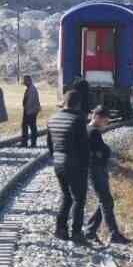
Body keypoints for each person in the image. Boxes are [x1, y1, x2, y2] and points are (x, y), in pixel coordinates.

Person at [45, 88, 89, 241]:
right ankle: (76, 233)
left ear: (64, 102)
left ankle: (60, 230)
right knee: (79, 199)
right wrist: (86, 167)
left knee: (66, 197)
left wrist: (56, 158)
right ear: (78, 104)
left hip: (58, 163)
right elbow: (83, 147)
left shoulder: (52, 119)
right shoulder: (78, 120)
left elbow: (50, 145)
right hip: (75, 165)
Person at [84, 107, 131, 244]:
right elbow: (102, 152)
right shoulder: (93, 132)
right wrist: (105, 153)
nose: (107, 123)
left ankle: (90, 231)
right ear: (97, 117)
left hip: (93, 169)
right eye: (105, 120)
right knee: (106, 201)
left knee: (105, 201)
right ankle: (113, 234)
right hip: (96, 170)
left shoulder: (87, 129)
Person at [21, 75, 42, 147]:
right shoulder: (29, 88)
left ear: (28, 81)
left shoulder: (32, 89)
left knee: (31, 127)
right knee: (26, 126)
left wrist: (27, 110)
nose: (24, 83)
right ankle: (26, 142)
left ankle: (32, 143)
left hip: (31, 111)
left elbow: (30, 101)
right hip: (29, 110)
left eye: (25, 81)